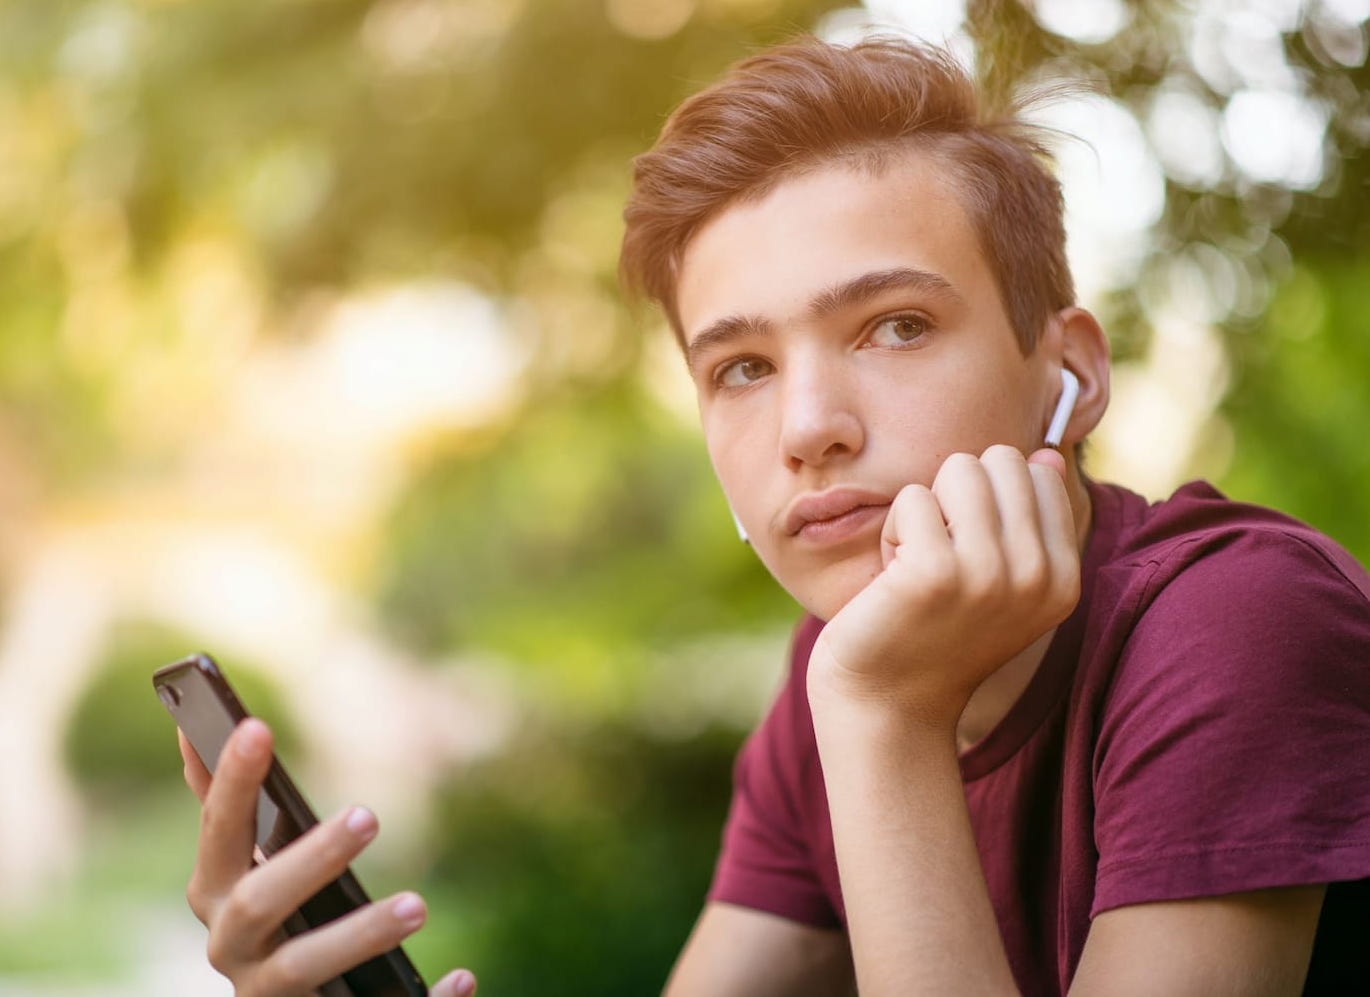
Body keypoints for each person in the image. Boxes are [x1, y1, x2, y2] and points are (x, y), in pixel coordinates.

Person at [177, 35, 1370, 996]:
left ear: (1071, 371)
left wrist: (885, 717)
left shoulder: (1230, 619)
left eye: (893, 325)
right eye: (739, 367)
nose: (808, 426)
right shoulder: (847, 671)